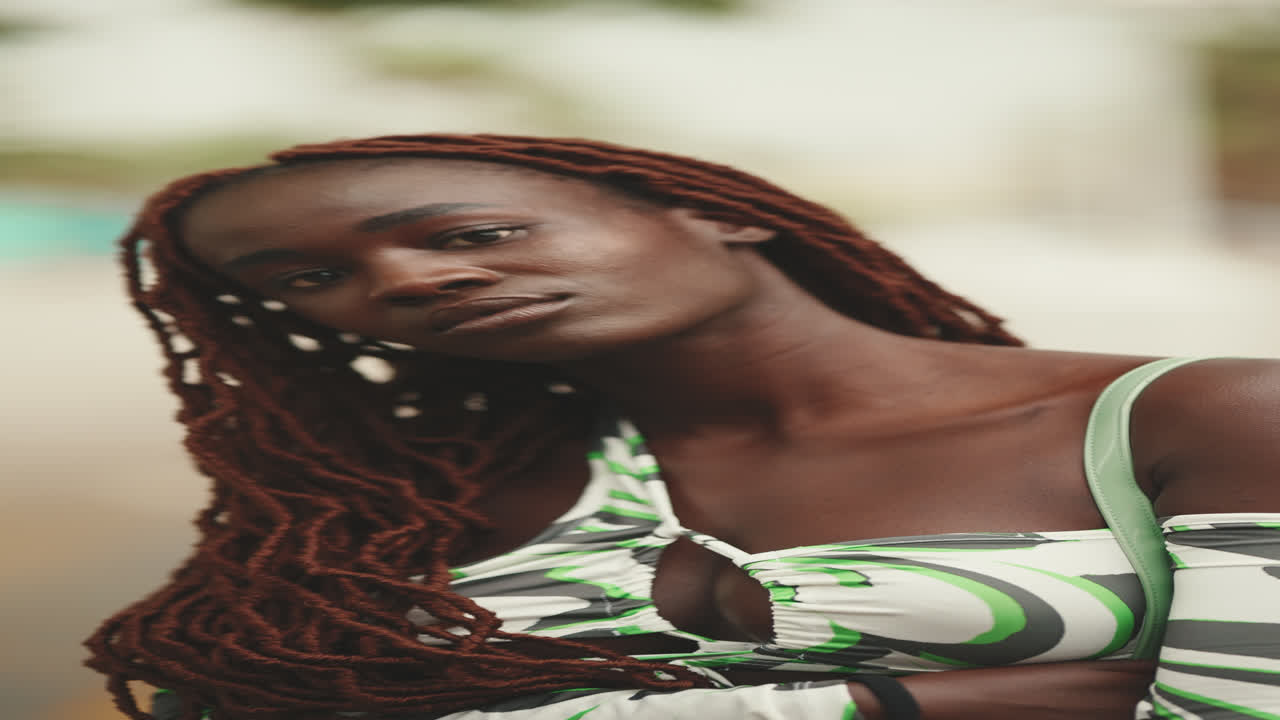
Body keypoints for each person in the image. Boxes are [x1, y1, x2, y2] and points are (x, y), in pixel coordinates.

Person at [84, 133, 1280, 720]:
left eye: (465, 234)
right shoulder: (415, 498)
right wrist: (882, 703)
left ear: (715, 216)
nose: (393, 284)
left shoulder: (1198, 415)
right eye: (300, 283)